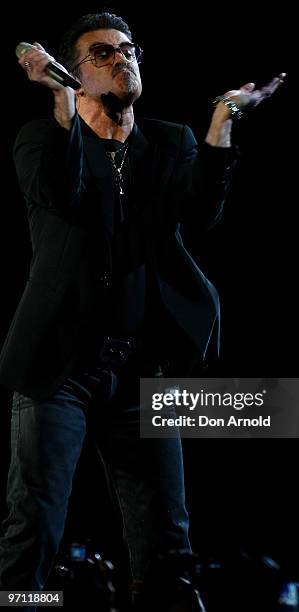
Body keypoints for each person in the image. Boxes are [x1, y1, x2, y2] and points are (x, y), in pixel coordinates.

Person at [0, 11, 284, 610]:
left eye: (128, 49)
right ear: (72, 74)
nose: (122, 58)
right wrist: (61, 106)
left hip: (140, 373)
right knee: (35, 533)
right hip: (60, 370)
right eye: (102, 53)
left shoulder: (168, 142)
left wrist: (221, 120)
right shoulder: (40, 137)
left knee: (166, 543)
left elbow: (200, 211)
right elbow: (60, 194)